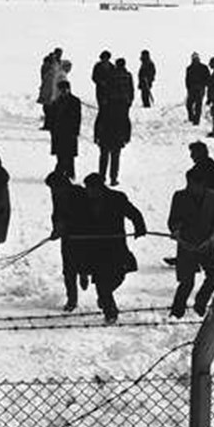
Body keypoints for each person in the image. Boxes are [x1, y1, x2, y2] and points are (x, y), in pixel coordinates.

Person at [80, 173, 146, 324]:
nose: (88, 192)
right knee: (102, 283)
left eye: (91, 189)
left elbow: (133, 213)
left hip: (115, 247)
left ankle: (104, 298)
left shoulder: (117, 198)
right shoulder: (85, 201)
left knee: (117, 277)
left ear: (99, 187)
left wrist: (140, 227)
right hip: (96, 249)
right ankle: (110, 312)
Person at [168, 169, 214, 318]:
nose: (191, 187)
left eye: (195, 184)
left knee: (213, 276)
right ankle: (177, 311)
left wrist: (212, 239)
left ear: (203, 184)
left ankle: (200, 303)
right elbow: (173, 220)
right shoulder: (180, 196)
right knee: (187, 282)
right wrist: (177, 231)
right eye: (190, 184)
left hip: (208, 246)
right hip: (187, 245)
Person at [45, 171, 90, 312]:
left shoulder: (80, 194)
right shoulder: (57, 195)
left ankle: (84, 273)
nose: (52, 191)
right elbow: (56, 214)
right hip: (68, 238)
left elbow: (87, 215)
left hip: (83, 237)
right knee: (68, 270)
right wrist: (56, 229)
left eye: (54, 188)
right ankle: (72, 300)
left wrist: (68, 226)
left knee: (84, 262)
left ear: (62, 185)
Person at [99, 57, 133, 186]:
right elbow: (131, 90)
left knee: (104, 156)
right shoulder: (128, 75)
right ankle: (113, 178)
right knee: (115, 156)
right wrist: (126, 136)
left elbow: (100, 118)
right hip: (119, 127)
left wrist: (97, 134)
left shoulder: (110, 76)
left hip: (106, 131)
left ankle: (102, 177)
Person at [50, 79, 81, 179]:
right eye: (61, 89)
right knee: (60, 156)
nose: (63, 91)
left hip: (69, 132)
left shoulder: (74, 101)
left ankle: (69, 175)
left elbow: (77, 118)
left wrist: (75, 131)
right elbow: (52, 118)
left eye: (65, 89)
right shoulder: (56, 102)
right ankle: (62, 175)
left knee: (69, 157)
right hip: (58, 133)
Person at [38, 47, 63, 130]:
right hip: (49, 88)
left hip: (53, 88)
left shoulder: (57, 63)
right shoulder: (51, 63)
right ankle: (49, 124)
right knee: (49, 108)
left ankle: (50, 124)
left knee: (51, 108)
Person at [91, 50, 113, 142]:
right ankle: (97, 134)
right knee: (101, 112)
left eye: (106, 58)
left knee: (108, 113)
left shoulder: (112, 67)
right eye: (104, 58)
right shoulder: (97, 66)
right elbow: (94, 77)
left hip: (110, 93)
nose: (105, 60)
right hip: (100, 91)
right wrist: (100, 82)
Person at [185, 52, 210, 125]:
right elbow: (187, 79)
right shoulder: (189, 68)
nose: (195, 60)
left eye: (196, 58)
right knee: (189, 104)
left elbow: (207, 78)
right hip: (192, 89)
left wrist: (203, 85)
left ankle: (196, 121)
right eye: (193, 58)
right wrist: (188, 88)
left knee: (198, 105)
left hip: (200, 89)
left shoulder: (204, 67)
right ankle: (192, 118)